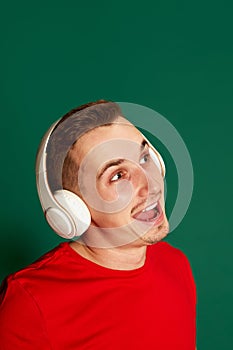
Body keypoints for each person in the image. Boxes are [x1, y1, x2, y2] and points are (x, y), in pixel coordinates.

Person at [0, 100, 197, 349]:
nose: (152, 186)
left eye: (145, 158)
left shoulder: (176, 265)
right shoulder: (29, 303)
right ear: (72, 207)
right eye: (117, 176)